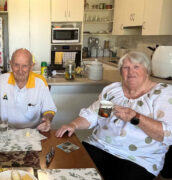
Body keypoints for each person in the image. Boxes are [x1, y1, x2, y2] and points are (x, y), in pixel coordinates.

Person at [56, 51, 172, 180]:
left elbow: (168, 134)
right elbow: (94, 115)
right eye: (126, 67)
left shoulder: (162, 94)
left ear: (147, 70)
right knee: (63, 169)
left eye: (136, 67)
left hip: (138, 159)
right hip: (98, 146)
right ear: (121, 71)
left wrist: (135, 117)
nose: (131, 72)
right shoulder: (114, 91)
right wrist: (74, 124)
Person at [0, 48, 57, 131]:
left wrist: (47, 120)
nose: (20, 70)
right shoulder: (0, 81)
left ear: (31, 66)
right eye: (16, 65)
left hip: (33, 132)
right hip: (6, 131)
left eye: (24, 66)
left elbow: (49, 109)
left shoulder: (40, 83)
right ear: (10, 64)